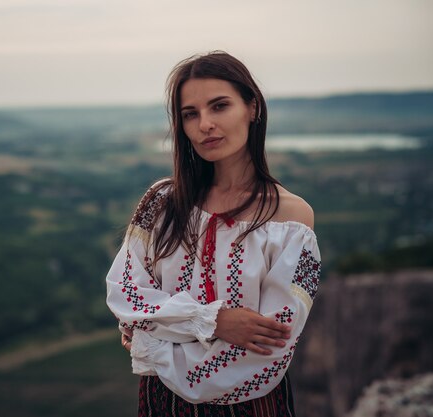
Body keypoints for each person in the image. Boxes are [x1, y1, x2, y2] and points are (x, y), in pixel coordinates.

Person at [105, 51, 321, 416]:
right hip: (160, 403)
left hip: (251, 405)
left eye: (219, 106)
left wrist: (154, 342)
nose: (205, 124)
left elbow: (269, 349)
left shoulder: (291, 219)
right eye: (191, 114)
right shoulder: (161, 203)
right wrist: (214, 321)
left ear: (252, 107)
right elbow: (125, 297)